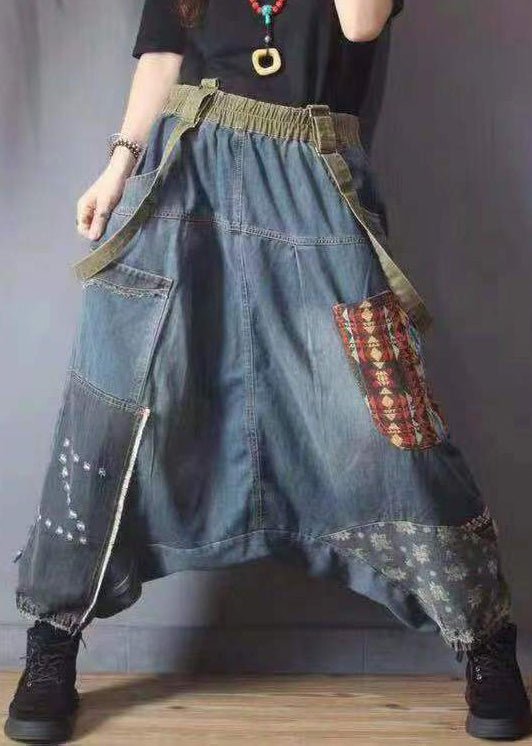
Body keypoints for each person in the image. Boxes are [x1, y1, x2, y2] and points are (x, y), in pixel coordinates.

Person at [4, 1, 531, 743]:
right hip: (189, 172)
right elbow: (162, 52)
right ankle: (54, 636)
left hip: (312, 180)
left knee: (385, 419)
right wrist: (118, 166)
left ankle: (484, 636)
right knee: (116, 402)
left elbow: (360, 24)